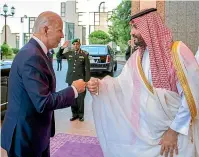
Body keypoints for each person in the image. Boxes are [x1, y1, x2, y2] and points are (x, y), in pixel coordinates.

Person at [87, 8, 199, 157]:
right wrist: (99, 85)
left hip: (176, 135)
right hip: (146, 133)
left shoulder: (177, 52)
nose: (132, 33)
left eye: (136, 27)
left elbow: (191, 97)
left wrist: (173, 132)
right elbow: (121, 85)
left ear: (150, 27)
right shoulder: (137, 58)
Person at [1, 11, 86, 157]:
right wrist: (73, 90)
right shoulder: (31, 55)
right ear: (45, 29)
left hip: (36, 133)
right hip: (25, 137)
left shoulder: (40, 52)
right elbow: (43, 101)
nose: (62, 36)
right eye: (60, 30)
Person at [57, 38, 90, 121]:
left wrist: (86, 81)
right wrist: (62, 48)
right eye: (74, 44)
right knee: (72, 97)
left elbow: (87, 69)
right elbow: (58, 56)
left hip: (81, 80)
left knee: (80, 98)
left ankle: (81, 115)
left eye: (77, 44)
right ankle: (74, 114)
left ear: (80, 45)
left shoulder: (84, 54)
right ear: (72, 45)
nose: (76, 46)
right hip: (71, 79)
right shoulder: (69, 53)